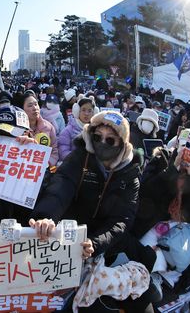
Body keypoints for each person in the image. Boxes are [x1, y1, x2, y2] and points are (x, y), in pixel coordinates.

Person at [29, 111, 157, 310]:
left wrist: (96, 243)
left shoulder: (131, 173)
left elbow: (122, 219)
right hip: (71, 234)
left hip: (105, 240)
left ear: (122, 144)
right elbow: (60, 188)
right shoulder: (80, 157)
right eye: (97, 137)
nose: (102, 143)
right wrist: (46, 217)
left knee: (142, 301)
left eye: (110, 140)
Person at [20, 93, 59, 166]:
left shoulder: (48, 127)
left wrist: (47, 164)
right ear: (22, 109)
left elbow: (54, 150)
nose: (35, 108)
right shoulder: (17, 128)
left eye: (36, 104)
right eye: (30, 105)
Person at [57, 95, 96, 161]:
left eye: (89, 111)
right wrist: (78, 159)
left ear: (94, 113)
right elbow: (63, 152)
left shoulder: (97, 130)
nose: (86, 114)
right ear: (77, 111)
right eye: (83, 110)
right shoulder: (67, 131)